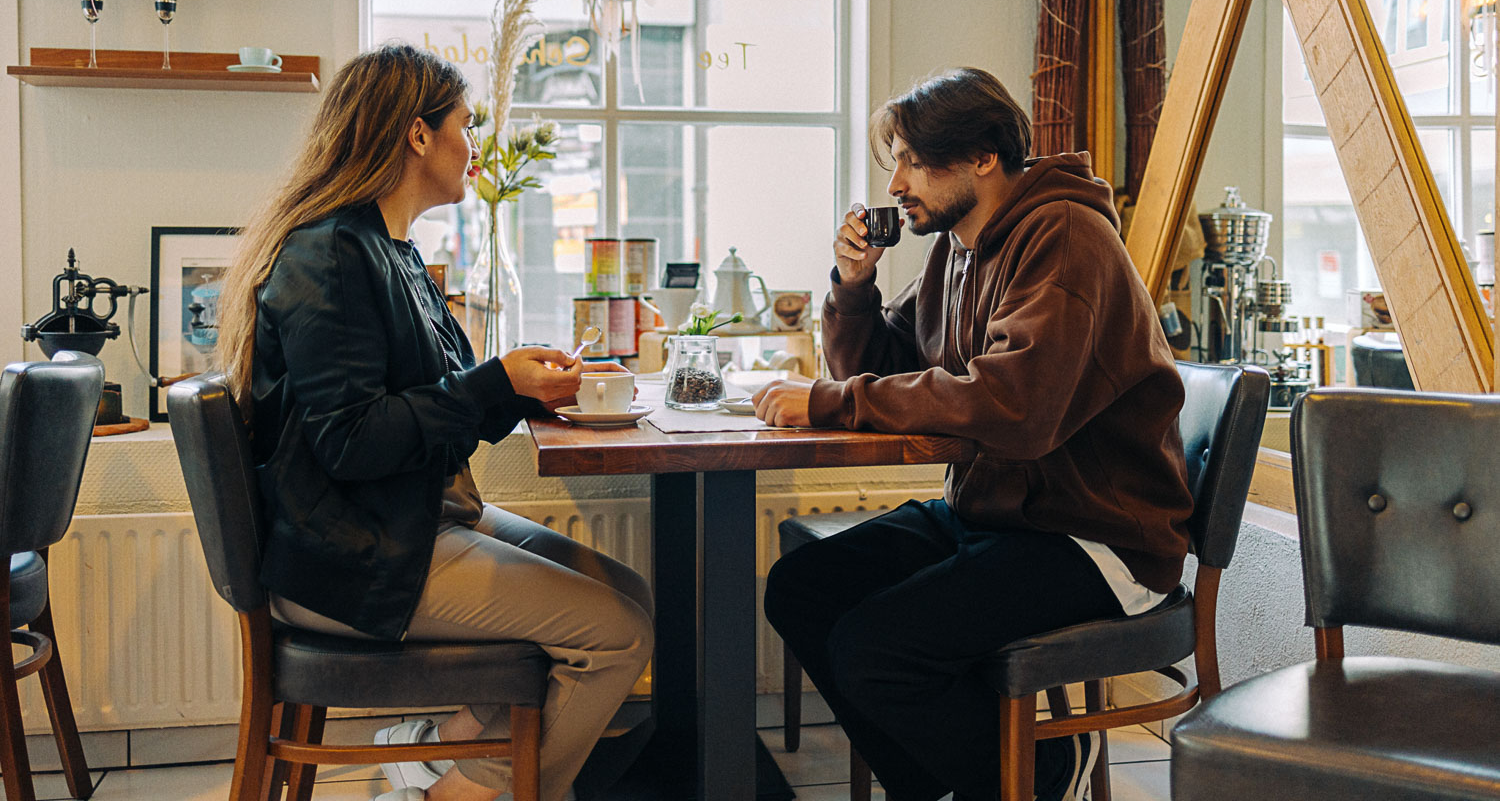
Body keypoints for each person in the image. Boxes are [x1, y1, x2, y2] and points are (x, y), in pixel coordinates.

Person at [216, 43, 653, 801]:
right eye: (466, 124)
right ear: (417, 135)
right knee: (615, 634)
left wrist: (520, 391)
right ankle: (466, 789)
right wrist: (493, 383)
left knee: (629, 597)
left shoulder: (392, 251)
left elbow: (434, 408)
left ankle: (443, 758)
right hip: (353, 551)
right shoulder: (329, 256)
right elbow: (351, 441)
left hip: (403, 519)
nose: (475, 146)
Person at [754, 67, 1193, 801]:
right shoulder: (956, 249)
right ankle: (952, 781)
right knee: (802, 587)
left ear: (984, 156)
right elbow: (889, 363)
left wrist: (830, 403)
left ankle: (1047, 772)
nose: (895, 183)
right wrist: (853, 287)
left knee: (875, 651)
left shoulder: (1065, 238)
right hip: (996, 515)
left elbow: (1014, 406)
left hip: (1094, 536)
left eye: (913, 161)